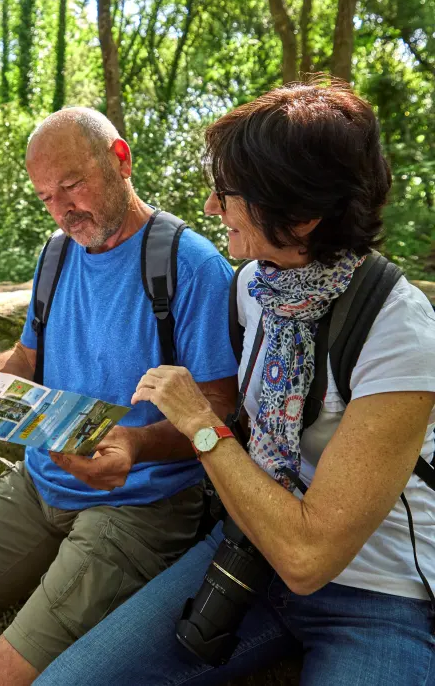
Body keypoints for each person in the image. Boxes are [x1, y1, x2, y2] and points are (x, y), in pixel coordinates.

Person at [33, 82, 435, 686]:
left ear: (301, 213)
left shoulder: (398, 331)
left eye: (230, 194)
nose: (213, 207)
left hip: (377, 594)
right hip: (246, 552)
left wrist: (198, 421)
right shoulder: (253, 288)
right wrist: (138, 444)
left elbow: (307, 558)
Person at [0, 107, 239, 686]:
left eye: (72, 185)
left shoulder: (189, 265)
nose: (63, 209)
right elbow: (26, 360)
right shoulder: (57, 254)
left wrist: (138, 445)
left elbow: (224, 407)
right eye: (47, 196)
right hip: (42, 475)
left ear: (120, 160)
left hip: (141, 504)